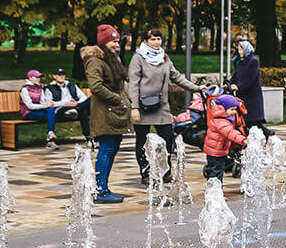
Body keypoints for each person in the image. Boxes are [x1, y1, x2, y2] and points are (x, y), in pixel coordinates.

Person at [129, 28, 200, 186]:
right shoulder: (138, 58)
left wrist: (196, 88)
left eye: (159, 39)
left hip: (161, 106)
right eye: (153, 39)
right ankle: (145, 173)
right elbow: (133, 84)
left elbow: (176, 77)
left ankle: (165, 171)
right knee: (142, 141)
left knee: (168, 138)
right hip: (142, 106)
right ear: (146, 41)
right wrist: (134, 107)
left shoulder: (165, 58)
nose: (156, 42)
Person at [81, 25, 131, 204]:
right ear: (103, 42)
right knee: (107, 148)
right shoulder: (94, 60)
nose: (116, 45)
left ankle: (104, 187)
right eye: (113, 41)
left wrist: (126, 101)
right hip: (105, 112)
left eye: (117, 41)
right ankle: (100, 190)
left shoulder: (111, 58)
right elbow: (96, 87)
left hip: (114, 112)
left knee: (112, 148)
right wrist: (117, 99)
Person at [201, 90, 247, 182]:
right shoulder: (221, 121)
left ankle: (215, 190)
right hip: (216, 152)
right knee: (216, 172)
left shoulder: (222, 119)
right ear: (223, 109)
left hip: (217, 150)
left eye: (235, 109)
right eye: (232, 109)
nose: (234, 112)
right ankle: (214, 192)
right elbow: (230, 133)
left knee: (217, 171)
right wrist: (243, 140)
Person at [231, 40, 267, 135]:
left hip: (251, 95)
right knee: (246, 120)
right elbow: (236, 75)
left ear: (246, 49)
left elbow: (250, 79)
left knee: (253, 121)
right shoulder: (241, 61)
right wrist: (229, 83)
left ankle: (267, 135)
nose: (239, 52)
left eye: (241, 50)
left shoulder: (253, 61)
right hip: (243, 95)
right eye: (238, 50)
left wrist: (238, 87)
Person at [18, 69, 61, 149]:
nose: (38, 79)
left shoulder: (39, 88)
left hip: (37, 111)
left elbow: (42, 102)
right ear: (30, 78)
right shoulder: (25, 89)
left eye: (39, 77)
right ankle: (51, 140)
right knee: (51, 116)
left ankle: (50, 136)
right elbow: (30, 106)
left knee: (51, 110)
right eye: (36, 77)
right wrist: (45, 106)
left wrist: (48, 104)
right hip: (27, 113)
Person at [45, 68, 90, 139]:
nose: (61, 76)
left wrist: (77, 103)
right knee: (83, 110)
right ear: (54, 76)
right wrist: (65, 103)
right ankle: (88, 137)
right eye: (59, 75)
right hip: (61, 109)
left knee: (90, 100)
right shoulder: (50, 88)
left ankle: (88, 137)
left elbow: (83, 96)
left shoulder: (71, 85)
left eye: (63, 74)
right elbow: (49, 103)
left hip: (75, 105)